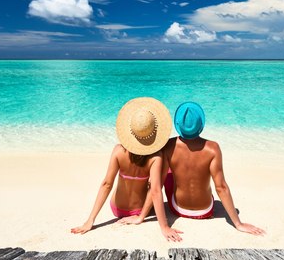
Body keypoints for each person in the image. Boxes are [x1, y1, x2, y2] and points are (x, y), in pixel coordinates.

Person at [71, 97, 182, 241]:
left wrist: (90, 221)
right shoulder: (155, 158)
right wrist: (164, 226)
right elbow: (155, 191)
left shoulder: (118, 151)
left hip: (117, 209)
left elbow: (106, 184)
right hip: (140, 210)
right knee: (165, 173)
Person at [161, 101, 265, 235]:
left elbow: (157, 185)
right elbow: (221, 187)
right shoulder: (212, 148)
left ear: (178, 125)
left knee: (167, 172)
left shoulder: (169, 146)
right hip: (205, 211)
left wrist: (162, 225)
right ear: (200, 125)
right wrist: (238, 224)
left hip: (178, 209)